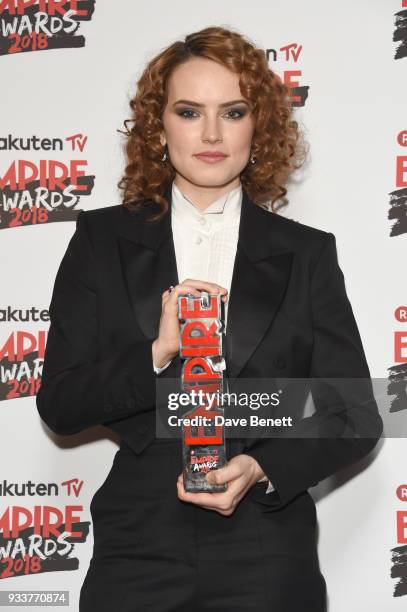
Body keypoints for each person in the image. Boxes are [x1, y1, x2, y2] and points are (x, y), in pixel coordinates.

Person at [36, 25, 383, 612]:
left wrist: (260, 467)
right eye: (190, 111)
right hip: (139, 544)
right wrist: (156, 351)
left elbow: (354, 413)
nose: (213, 134)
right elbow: (61, 405)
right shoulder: (101, 239)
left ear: (260, 126)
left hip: (268, 546)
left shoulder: (307, 252)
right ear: (159, 125)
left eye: (235, 111)